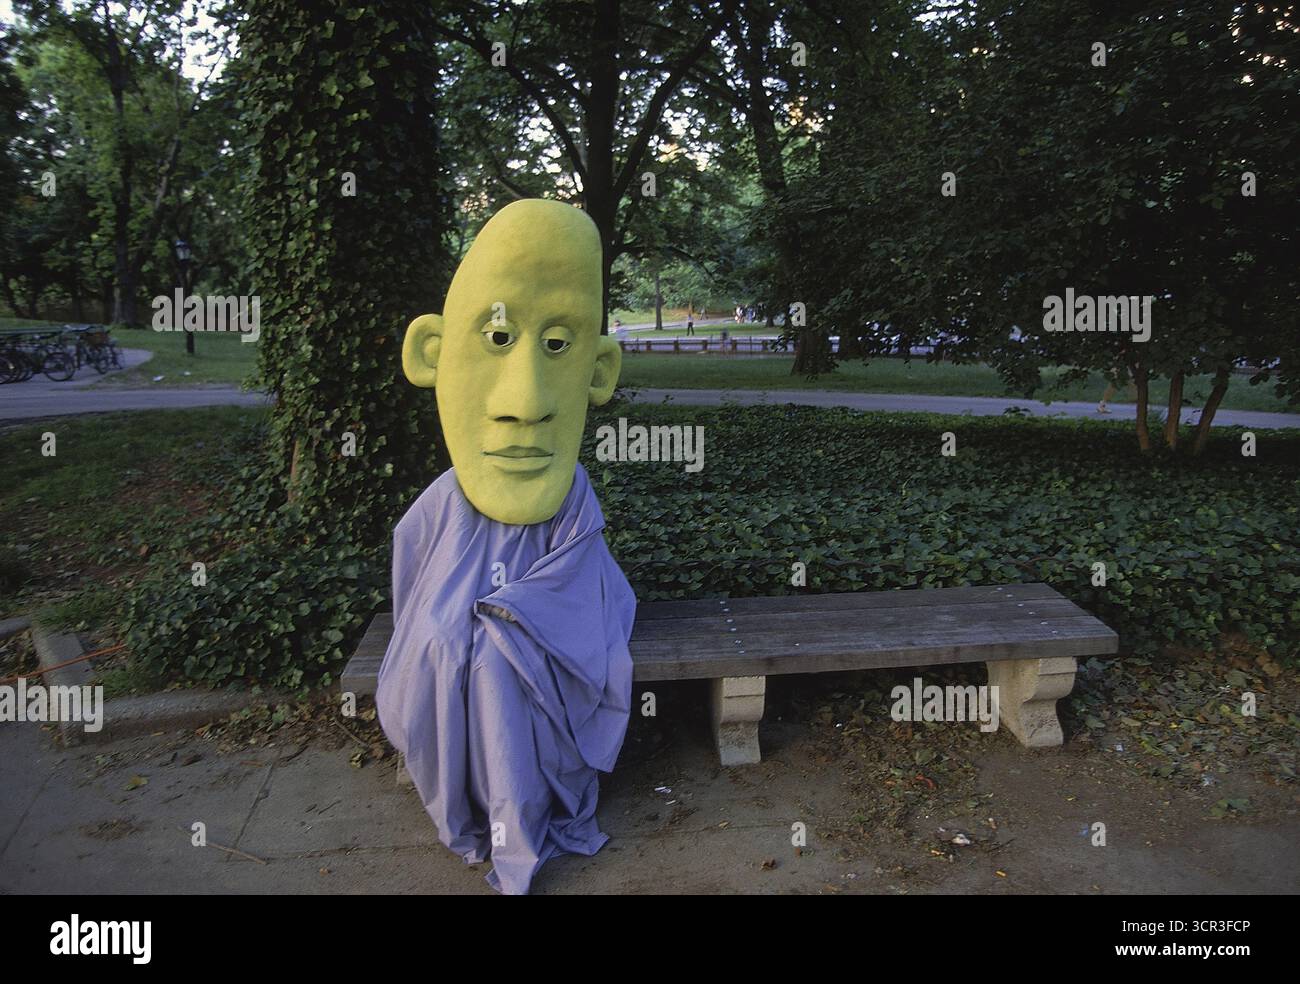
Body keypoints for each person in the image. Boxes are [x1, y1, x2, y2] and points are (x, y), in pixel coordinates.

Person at [381, 199, 636, 895]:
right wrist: (450, 617)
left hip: (552, 618)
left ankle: (514, 820)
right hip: (455, 622)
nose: (524, 401)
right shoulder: (445, 497)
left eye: (558, 345)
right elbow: (416, 579)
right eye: (496, 337)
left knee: (498, 662)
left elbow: (581, 589)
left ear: (599, 371)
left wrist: (506, 615)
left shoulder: (572, 495)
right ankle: (478, 805)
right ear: (430, 353)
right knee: (442, 646)